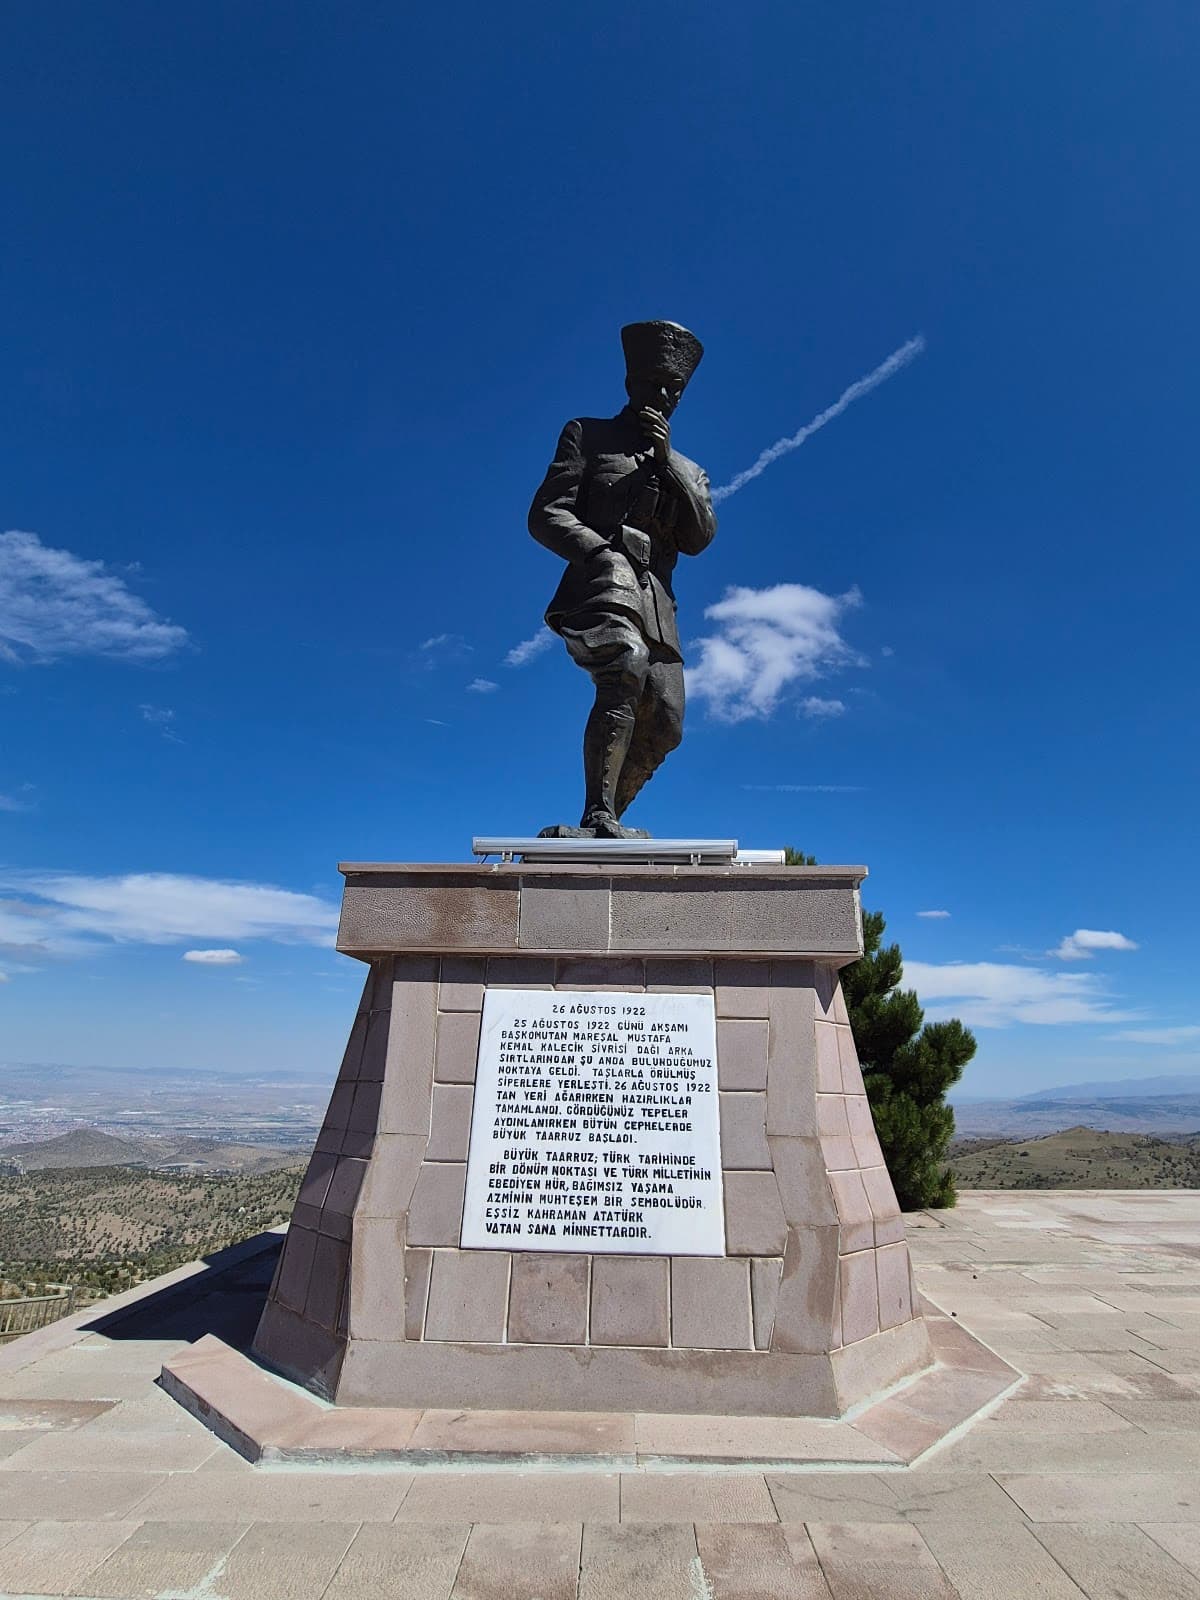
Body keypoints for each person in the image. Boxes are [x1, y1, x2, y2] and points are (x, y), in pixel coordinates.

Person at [528, 320, 717, 838]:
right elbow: (546, 513)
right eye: (653, 383)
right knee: (624, 667)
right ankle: (598, 815)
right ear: (630, 382)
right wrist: (601, 550)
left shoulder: (689, 469)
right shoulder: (589, 435)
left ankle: (610, 819)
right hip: (602, 582)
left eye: (672, 389)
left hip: (658, 601)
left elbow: (700, 538)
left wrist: (669, 464)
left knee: (668, 720)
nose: (662, 395)